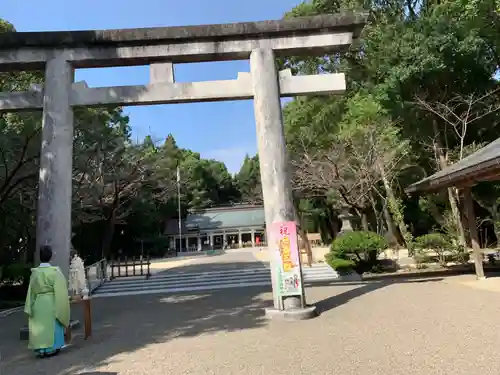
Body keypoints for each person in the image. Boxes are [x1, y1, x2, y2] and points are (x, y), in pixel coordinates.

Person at [24, 245, 70, 358]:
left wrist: (30, 305)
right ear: (51, 256)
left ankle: (41, 350)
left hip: (38, 302)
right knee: (52, 325)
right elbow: (61, 291)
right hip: (51, 301)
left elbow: (31, 291)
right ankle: (51, 348)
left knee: (39, 326)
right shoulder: (55, 272)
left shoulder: (35, 272)